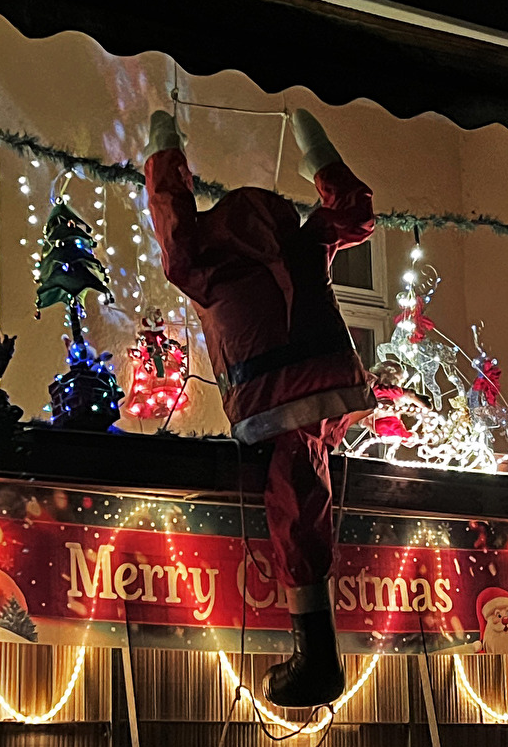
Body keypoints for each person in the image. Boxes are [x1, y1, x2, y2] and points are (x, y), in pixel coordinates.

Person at [143, 106, 376, 707]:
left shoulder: (204, 263)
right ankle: (316, 653)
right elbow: (355, 210)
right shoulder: (299, 246)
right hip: (332, 386)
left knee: (295, 507)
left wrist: (165, 150)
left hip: (270, 400)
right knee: (306, 492)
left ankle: (318, 657)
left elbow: (171, 221)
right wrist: (317, 153)